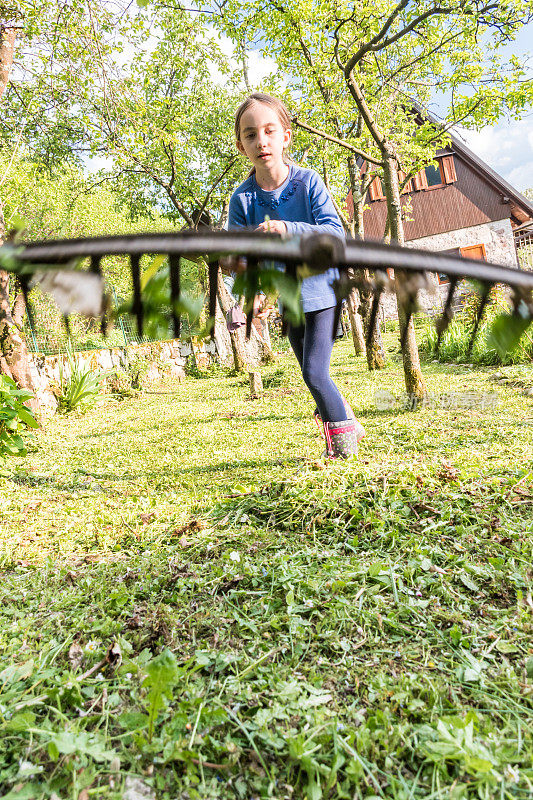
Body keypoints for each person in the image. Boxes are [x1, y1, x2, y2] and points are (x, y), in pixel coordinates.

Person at [227, 92, 365, 458]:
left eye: (270, 131)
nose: (262, 141)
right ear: (242, 146)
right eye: (251, 134)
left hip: (322, 291)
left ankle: (344, 449)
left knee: (316, 374)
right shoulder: (242, 201)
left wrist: (287, 228)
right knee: (311, 374)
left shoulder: (308, 183)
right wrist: (241, 302)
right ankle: (345, 415)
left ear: (286, 136)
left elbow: (335, 235)